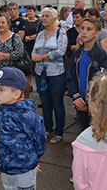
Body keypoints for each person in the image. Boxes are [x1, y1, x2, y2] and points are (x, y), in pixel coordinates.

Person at [0, 67, 47, 190]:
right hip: (5, 166)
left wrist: (32, 160)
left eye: (2, 89)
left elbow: (40, 140)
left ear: (16, 94)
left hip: (23, 168)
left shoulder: (26, 115)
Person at [67, 18, 107, 132]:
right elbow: (71, 77)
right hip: (79, 102)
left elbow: (102, 81)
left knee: (98, 133)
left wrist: (90, 102)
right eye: (83, 29)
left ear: (97, 33)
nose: (84, 32)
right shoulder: (77, 53)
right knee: (83, 132)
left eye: (89, 29)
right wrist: (76, 98)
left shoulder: (101, 55)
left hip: (96, 104)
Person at [32, 7, 67, 144]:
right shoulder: (40, 34)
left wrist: (43, 57)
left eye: (47, 16)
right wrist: (36, 57)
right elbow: (34, 51)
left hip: (56, 73)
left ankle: (59, 131)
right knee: (45, 102)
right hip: (40, 73)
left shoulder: (60, 33)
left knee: (57, 102)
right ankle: (48, 129)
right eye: (43, 16)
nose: (44, 18)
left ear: (54, 18)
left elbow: (61, 51)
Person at [0, 16, 25, 83]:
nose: (0, 25)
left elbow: (20, 53)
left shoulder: (15, 37)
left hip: (12, 74)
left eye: (3, 22)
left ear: (8, 24)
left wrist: (1, 57)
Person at [24, 6, 41, 97]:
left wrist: (31, 37)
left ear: (34, 12)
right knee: (28, 67)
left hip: (35, 45)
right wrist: (25, 37)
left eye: (31, 11)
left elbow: (40, 33)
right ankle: (28, 84)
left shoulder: (38, 22)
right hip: (26, 46)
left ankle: (38, 85)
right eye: (28, 11)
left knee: (36, 65)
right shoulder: (25, 22)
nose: (29, 13)